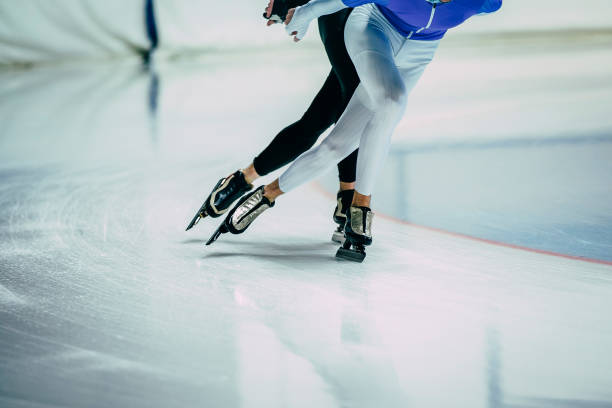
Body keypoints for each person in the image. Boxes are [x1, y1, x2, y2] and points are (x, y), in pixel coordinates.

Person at [207, 0, 502, 262]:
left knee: (335, 139)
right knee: (386, 101)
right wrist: (297, 7)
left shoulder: (481, 2)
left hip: (416, 49)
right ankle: (356, 205)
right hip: (364, 27)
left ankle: (265, 194)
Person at [186, 0, 360, 243]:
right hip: (344, 13)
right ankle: (349, 202)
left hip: (377, 20)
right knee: (353, 100)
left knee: (320, 117)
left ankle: (242, 179)